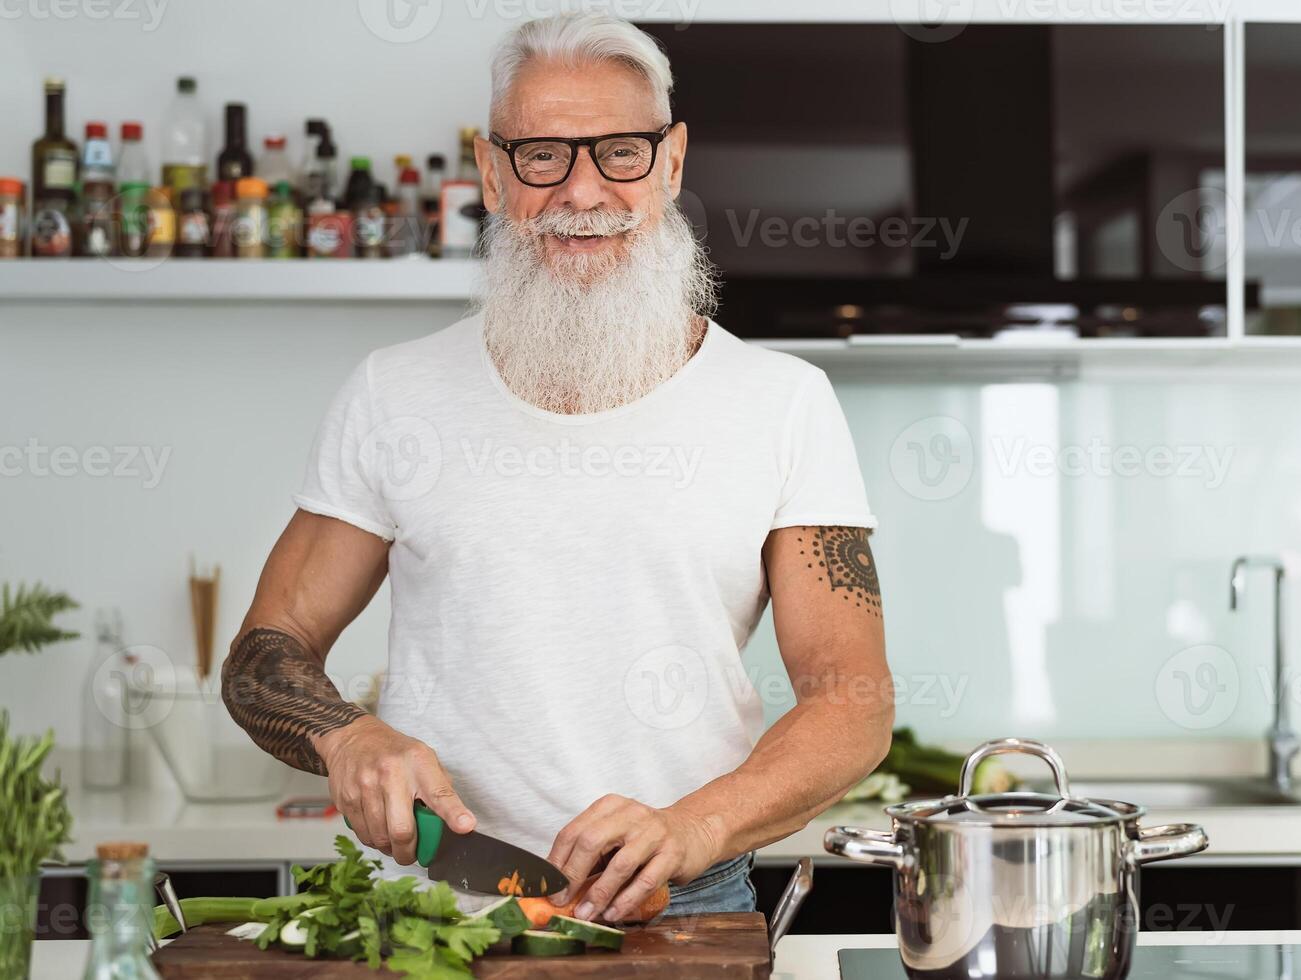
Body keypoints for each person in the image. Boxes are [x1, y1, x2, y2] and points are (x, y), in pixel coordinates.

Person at [221, 11, 893, 922]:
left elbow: (851, 702)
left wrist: (693, 826)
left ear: (673, 162)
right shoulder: (393, 393)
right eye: (543, 156)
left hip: (682, 904)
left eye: (621, 151)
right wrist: (348, 737)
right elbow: (267, 651)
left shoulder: (784, 402)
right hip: (429, 904)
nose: (583, 192)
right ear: (494, 173)